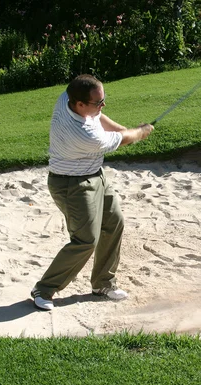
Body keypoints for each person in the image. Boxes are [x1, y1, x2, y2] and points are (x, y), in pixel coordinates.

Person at [31, 74, 154, 311]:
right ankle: (44, 289)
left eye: (103, 99)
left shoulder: (66, 98)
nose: (102, 105)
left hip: (95, 175)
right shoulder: (85, 135)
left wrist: (125, 130)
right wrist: (139, 132)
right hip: (71, 185)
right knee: (85, 239)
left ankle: (103, 284)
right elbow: (122, 140)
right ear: (79, 104)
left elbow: (100, 117)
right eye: (98, 103)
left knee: (114, 222)